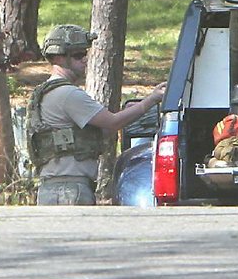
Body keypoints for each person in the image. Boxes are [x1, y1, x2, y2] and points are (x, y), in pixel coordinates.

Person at [27, 24, 166, 205]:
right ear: (59, 58)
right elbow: (112, 123)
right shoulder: (68, 95)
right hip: (70, 191)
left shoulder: (45, 92)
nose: (85, 60)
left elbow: (96, 134)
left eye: (85, 54)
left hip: (53, 189)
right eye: (78, 55)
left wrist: (129, 112)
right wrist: (150, 101)